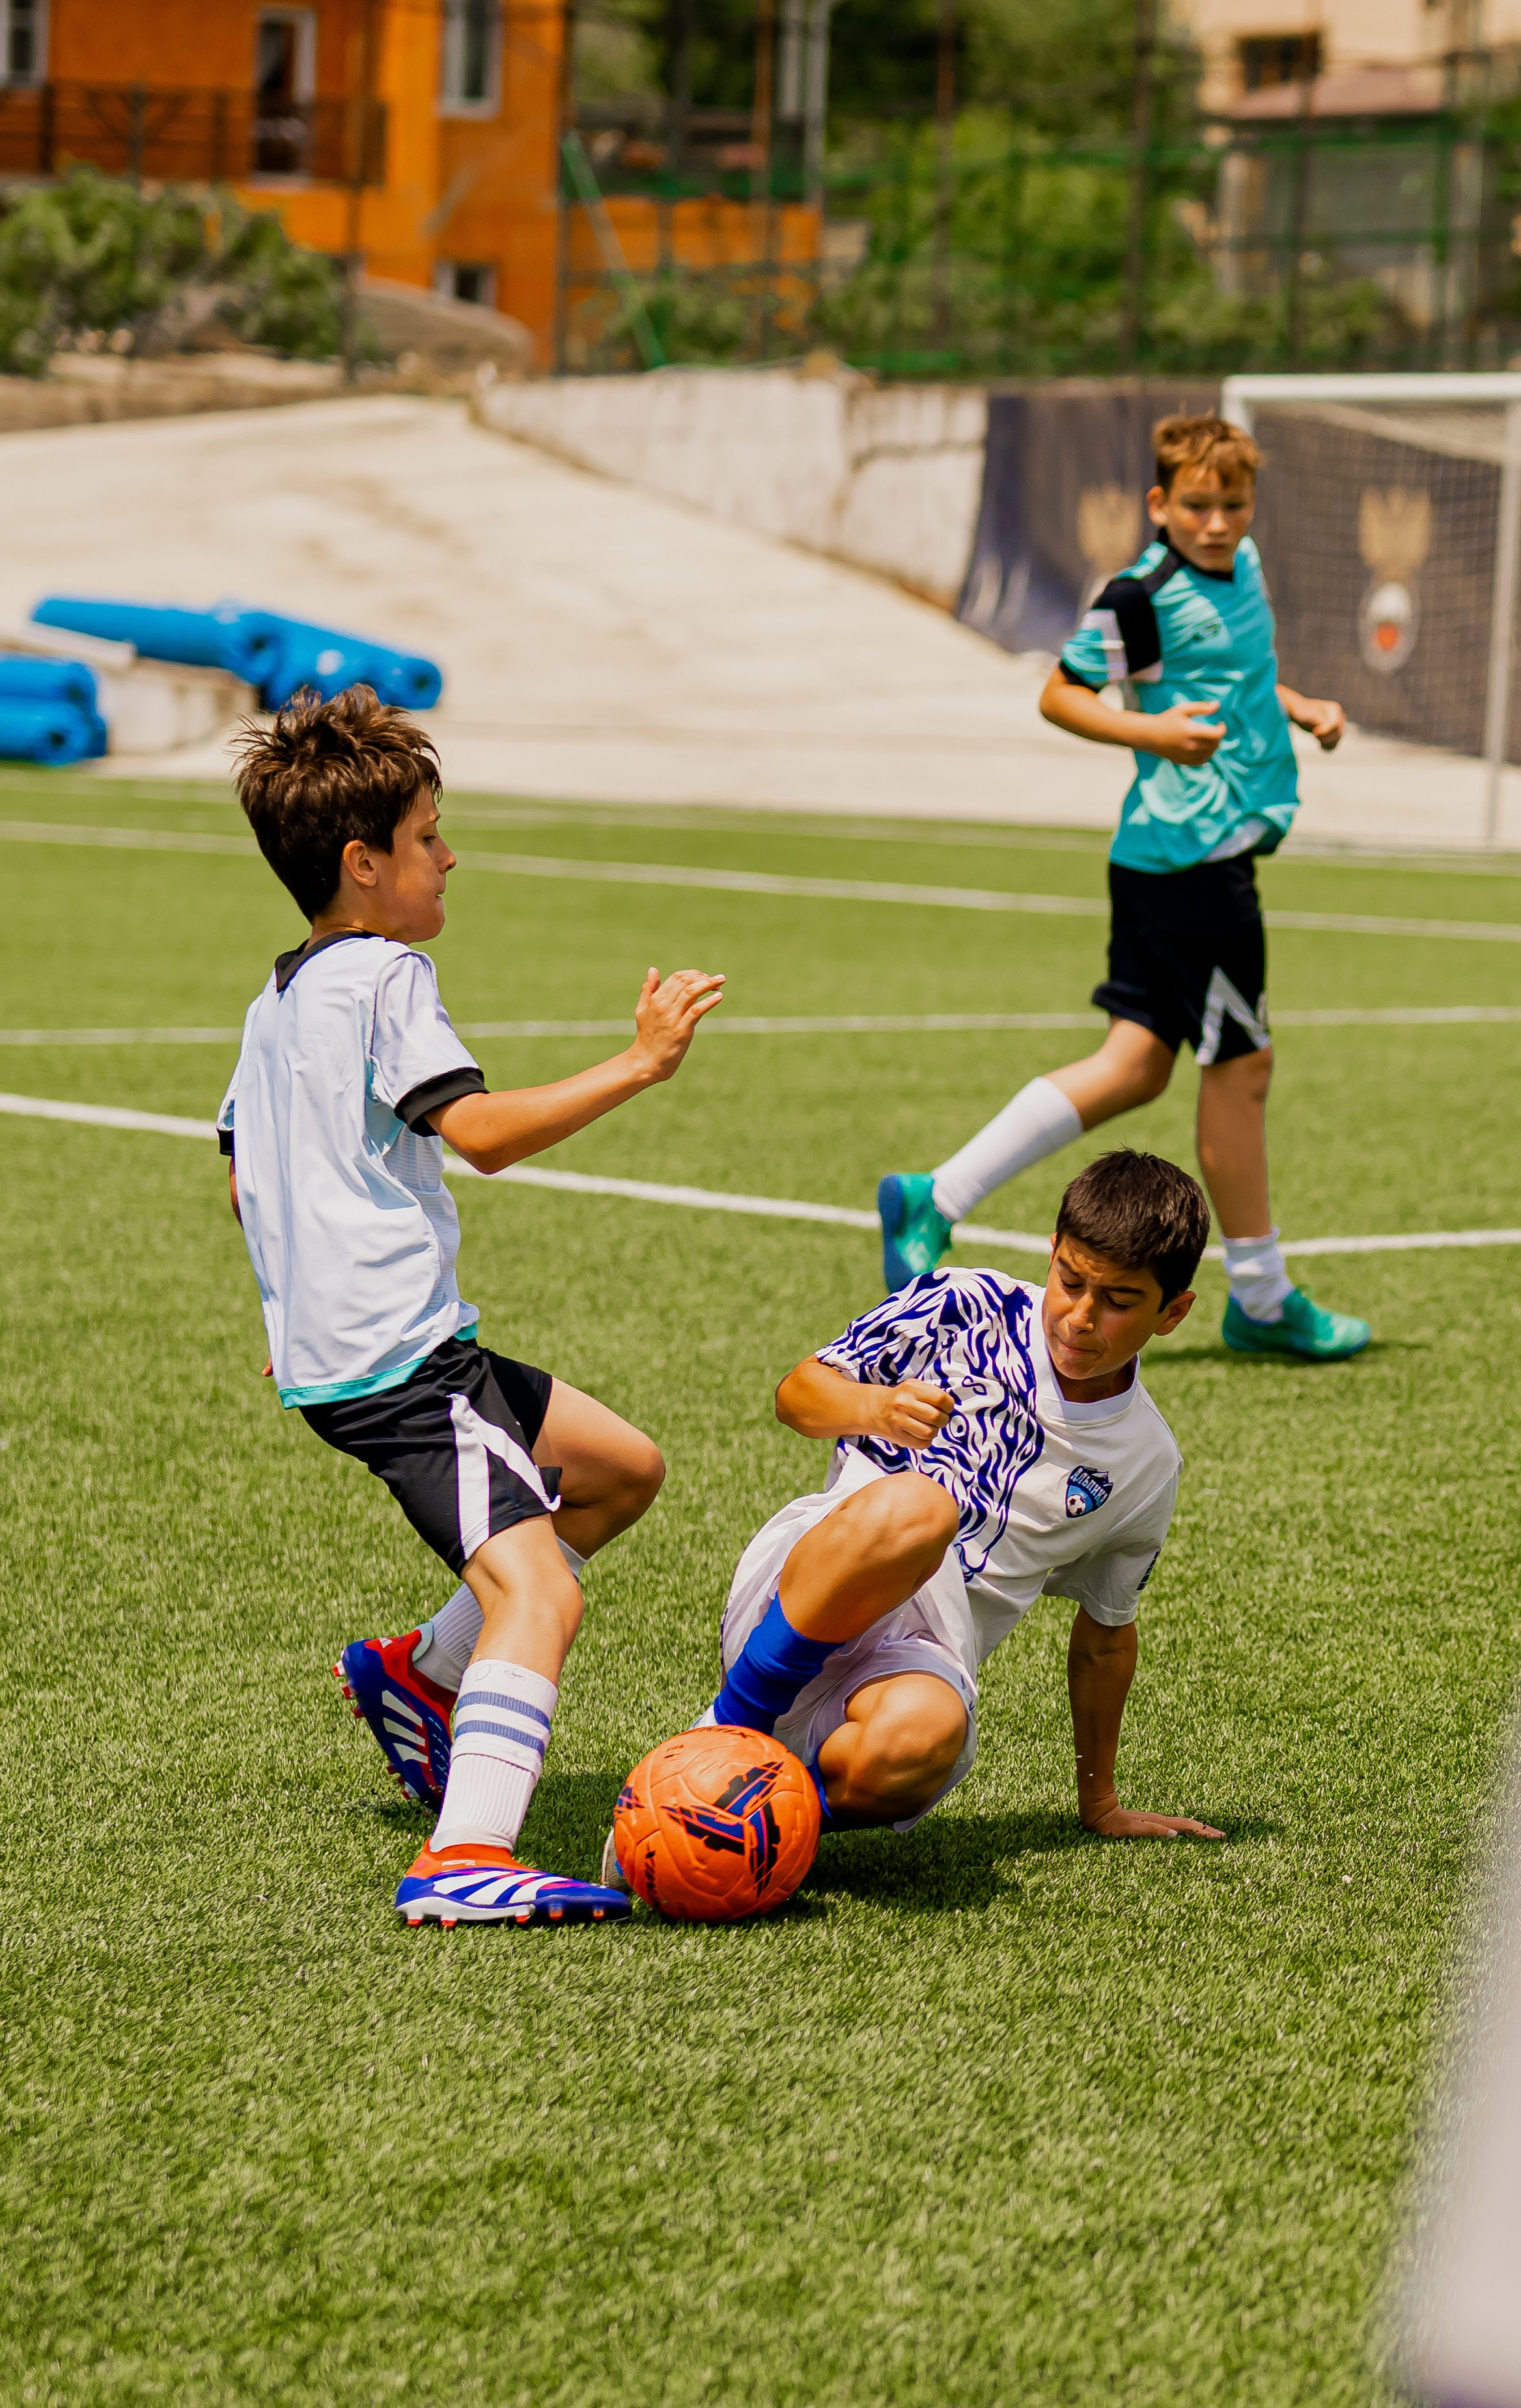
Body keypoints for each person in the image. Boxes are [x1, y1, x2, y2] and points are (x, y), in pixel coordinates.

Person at [217, 687, 724, 1928]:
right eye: (431, 834)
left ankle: (420, 1675)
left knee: (618, 1470)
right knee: (542, 1591)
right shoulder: (389, 975)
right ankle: (465, 1857)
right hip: (397, 1364)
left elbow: (238, 1168)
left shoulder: (273, 999)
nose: (449, 856)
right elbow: (482, 1134)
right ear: (364, 861)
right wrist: (640, 1061)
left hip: (375, 1349)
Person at [877, 411, 1369, 1364]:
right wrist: (1154, 735)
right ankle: (1261, 1293)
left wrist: (1296, 706)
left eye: (1232, 503)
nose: (1217, 521)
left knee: (1137, 1064)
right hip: (1191, 860)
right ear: (1158, 503)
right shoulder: (1139, 593)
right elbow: (1060, 692)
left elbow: (1236, 679)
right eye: (1196, 504)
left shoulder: (1247, 567)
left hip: (1180, 858)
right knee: (1243, 1065)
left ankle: (932, 1195)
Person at [605, 1149, 1225, 1868]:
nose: (1082, 1317)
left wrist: (1100, 1804)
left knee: (924, 1740)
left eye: (1118, 1302)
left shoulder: (1146, 1461)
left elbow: (1106, 1637)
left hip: (916, 1662)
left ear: (1173, 1312)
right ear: (1052, 1252)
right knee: (923, 1509)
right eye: (1071, 1281)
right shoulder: (965, 1303)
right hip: (814, 1584)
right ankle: (719, 1737)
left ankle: (734, 1825)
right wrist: (875, 1406)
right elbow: (795, 1395)